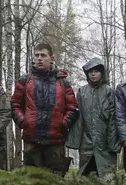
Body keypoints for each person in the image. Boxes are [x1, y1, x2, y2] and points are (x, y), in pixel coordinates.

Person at [11, 43, 79, 175]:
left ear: (52, 58)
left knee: (56, 182)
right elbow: (14, 105)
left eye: (43, 55)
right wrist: (23, 122)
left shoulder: (62, 81)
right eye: (37, 55)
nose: (39, 58)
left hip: (56, 141)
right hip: (32, 140)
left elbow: (73, 107)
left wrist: (63, 124)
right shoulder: (25, 80)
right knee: (31, 182)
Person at [66, 58, 120, 177]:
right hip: (87, 146)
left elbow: (113, 119)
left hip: (105, 145)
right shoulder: (82, 92)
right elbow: (78, 119)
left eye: (96, 71)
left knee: (107, 180)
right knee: (86, 180)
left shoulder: (109, 91)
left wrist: (113, 144)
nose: (93, 74)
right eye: (90, 71)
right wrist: (74, 142)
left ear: (102, 73)